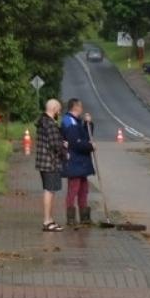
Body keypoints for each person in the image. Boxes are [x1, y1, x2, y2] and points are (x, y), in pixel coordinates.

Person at [60, 98, 96, 226]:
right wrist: (90, 147)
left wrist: (89, 124)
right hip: (74, 161)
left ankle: (84, 217)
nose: (82, 109)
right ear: (75, 107)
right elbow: (76, 143)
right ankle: (71, 218)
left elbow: (86, 136)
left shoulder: (77, 121)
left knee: (84, 189)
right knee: (73, 189)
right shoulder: (69, 122)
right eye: (80, 106)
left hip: (81, 162)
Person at [33, 98, 66, 232]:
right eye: (58, 110)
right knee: (49, 191)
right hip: (50, 162)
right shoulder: (51, 124)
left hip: (43, 161)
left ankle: (50, 219)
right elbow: (54, 144)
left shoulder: (42, 122)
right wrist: (64, 151)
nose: (59, 112)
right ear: (54, 109)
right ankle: (47, 221)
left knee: (50, 190)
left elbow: (49, 141)